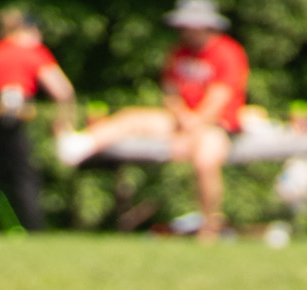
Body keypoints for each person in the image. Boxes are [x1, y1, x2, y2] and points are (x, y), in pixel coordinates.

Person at [55, 1, 248, 240]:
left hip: (216, 125)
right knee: (132, 118)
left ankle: (209, 225)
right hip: (180, 120)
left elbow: (219, 99)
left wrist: (192, 128)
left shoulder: (228, 52)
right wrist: (182, 118)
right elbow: (170, 92)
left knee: (205, 160)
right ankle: (81, 144)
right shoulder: (178, 51)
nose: (185, 31)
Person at [0, 8, 75, 233]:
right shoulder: (33, 52)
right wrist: (63, 121)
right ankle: (34, 228)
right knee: (25, 173)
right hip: (17, 112)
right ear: (29, 29)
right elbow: (63, 90)